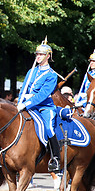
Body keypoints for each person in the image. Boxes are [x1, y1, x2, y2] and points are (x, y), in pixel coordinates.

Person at [16, 38, 61, 172]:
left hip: (44, 106)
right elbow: (23, 89)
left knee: (48, 128)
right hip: (28, 105)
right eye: (37, 54)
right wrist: (19, 103)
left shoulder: (52, 75)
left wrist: (27, 103)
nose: (38, 56)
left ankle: (56, 158)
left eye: (41, 54)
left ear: (48, 56)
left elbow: (42, 95)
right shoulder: (32, 71)